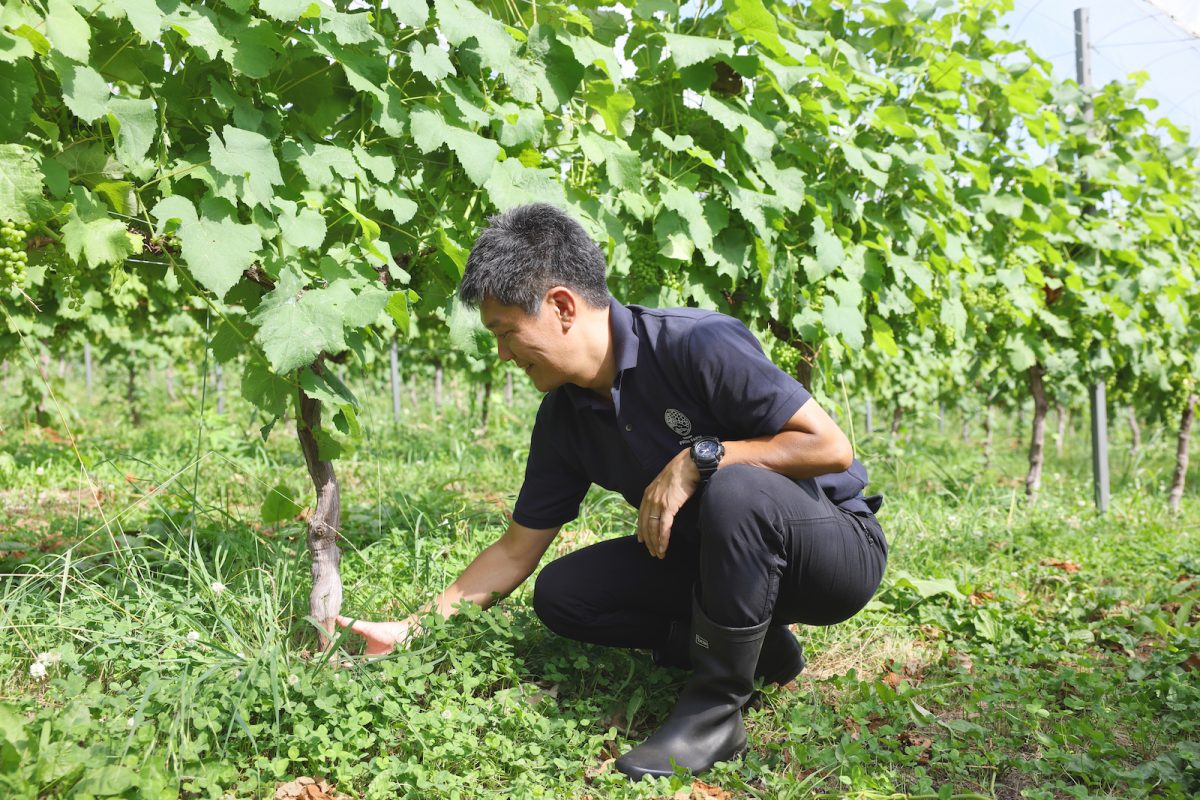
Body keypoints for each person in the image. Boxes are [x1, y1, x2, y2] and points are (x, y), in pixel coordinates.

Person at [337, 203, 887, 780]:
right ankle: (757, 650)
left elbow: (828, 446)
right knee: (564, 594)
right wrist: (412, 627)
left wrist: (699, 458)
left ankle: (716, 712)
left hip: (829, 551)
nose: (502, 355)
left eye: (505, 332)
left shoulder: (695, 344)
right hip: (717, 568)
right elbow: (515, 551)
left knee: (737, 487)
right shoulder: (564, 416)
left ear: (561, 306)